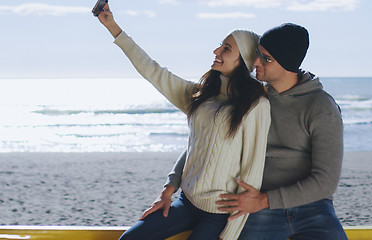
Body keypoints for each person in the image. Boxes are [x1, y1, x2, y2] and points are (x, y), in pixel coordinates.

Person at [96, 4, 271, 240]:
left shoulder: (256, 105)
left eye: (226, 49)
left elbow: (252, 171)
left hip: (219, 215)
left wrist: (230, 233)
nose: (216, 51)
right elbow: (154, 71)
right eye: (221, 45)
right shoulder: (201, 95)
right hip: (185, 203)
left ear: (243, 60)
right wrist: (112, 27)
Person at [168, 23, 348, 239]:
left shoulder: (321, 108)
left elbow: (326, 181)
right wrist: (173, 181)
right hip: (256, 205)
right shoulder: (251, 99)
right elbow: (207, 140)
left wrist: (264, 200)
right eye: (257, 54)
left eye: (266, 58)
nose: (255, 63)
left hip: (311, 207)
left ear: (287, 64)